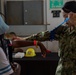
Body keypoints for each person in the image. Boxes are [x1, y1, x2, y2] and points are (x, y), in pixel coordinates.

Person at [25, 1, 76, 75]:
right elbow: (45, 35)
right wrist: (25, 39)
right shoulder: (63, 30)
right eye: (64, 16)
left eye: (66, 16)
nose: (65, 20)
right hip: (61, 71)